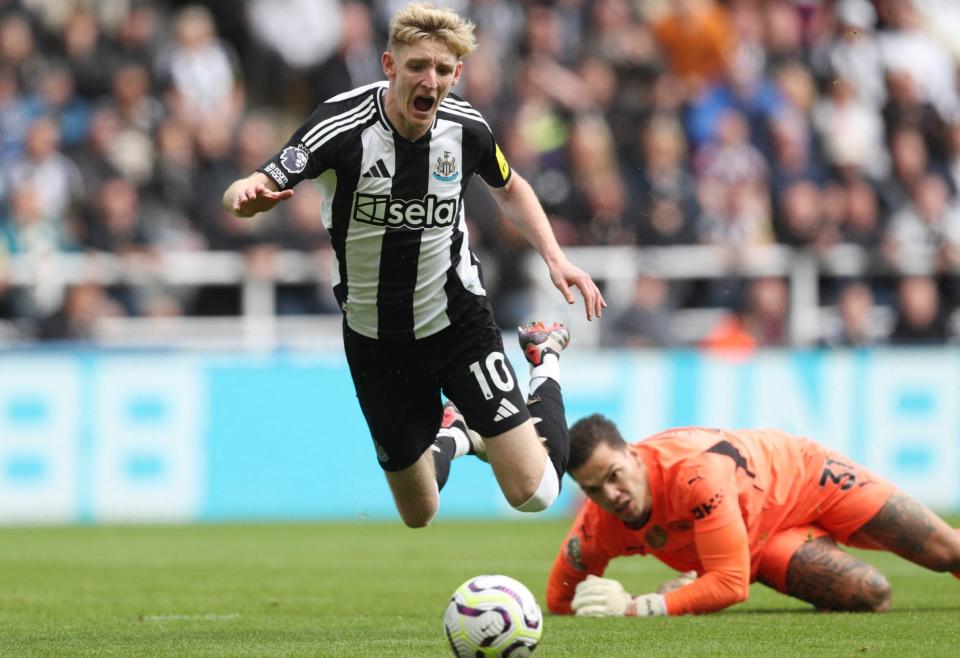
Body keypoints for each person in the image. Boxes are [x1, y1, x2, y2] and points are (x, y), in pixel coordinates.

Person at [222, 3, 605, 528]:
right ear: (389, 66)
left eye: (443, 70)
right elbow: (258, 181)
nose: (431, 80)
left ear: (458, 74)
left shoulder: (466, 128)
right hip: (374, 337)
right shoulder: (339, 125)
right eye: (418, 66)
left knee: (535, 493)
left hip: (457, 323)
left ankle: (543, 359)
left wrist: (556, 258)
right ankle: (457, 433)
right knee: (420, 511)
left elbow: (510, 187)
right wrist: (246, 196)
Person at [547, 414, 960, 617]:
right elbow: (559, 597)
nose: (611, 495)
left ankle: (701, 575)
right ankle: (711, 571)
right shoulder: (599, 523)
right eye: (593, 489)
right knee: (873, 594)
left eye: (615, 476)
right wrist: (598, 603)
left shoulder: (694, 473)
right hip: (757, 544)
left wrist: (637, 606)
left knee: (947, 552)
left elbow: (728, 584)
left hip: (807, 479)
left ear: (634, 456)